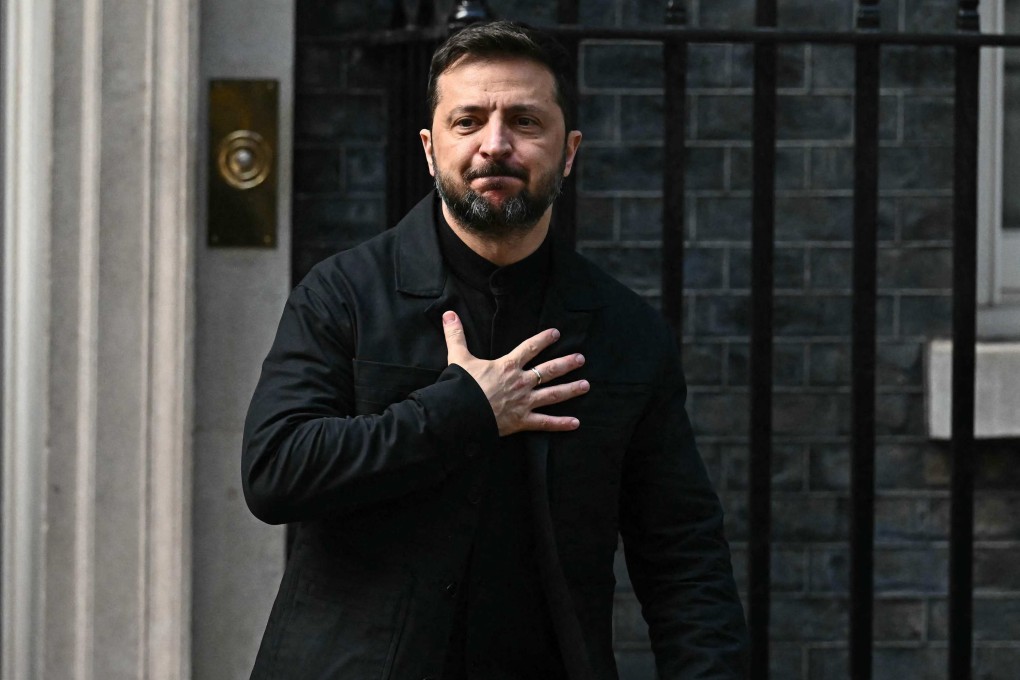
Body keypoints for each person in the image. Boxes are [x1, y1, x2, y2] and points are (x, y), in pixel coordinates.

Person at [242, 20, 747, 680]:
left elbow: (682, 553)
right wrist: (465, 410)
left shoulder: (627, 332)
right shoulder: (344, 294)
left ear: (568, 151)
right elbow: (275, 471)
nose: (495, 144)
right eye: (468, 120)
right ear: (429, 148)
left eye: (526, 122)